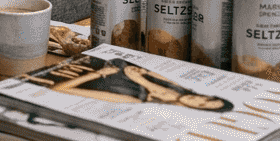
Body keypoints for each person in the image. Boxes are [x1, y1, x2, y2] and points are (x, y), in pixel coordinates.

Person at [26, 55, 234, 111]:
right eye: (207, 98)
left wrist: (98, 75)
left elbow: (59, 89)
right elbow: (134, 69)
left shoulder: (135, 99)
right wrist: (141, 74)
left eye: (203, 105)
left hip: (62, 71)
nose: (199, 100)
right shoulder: (173, 85)